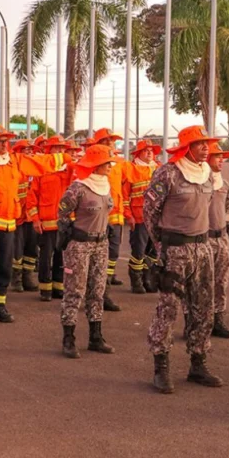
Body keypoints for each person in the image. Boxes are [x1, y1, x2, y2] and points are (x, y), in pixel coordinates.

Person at [145, 125, 222, 394]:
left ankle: (198, 363)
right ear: (187, 147)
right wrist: (162, 245)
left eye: (207, 143)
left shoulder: (207, 174)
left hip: (202, 248)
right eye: (200, 143)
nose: (206, 148)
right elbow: (150, 211)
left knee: (203, 307)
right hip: (175, 250)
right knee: (168, 309)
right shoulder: (168, 173)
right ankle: (161, 367)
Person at [0, 126, 64, 325]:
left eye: (6, 141)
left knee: (4, 267)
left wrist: (65, 157)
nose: (4, 145)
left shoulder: (14, 161)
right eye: (0, 141)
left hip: (9, 224)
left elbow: (40, 163)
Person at [57, 144, 119, 358]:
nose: (110, 166)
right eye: (106, 163)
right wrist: (70, 233)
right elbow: (62, 213)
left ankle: (95, 337)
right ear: (95, 164)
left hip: (101, 244)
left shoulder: (105, 185)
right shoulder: (79, 187)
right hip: (80, 245)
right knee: (75, 291)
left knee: (98, 290)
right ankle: (68, 339)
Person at [28, 135, 72, 301]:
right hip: (46, 224)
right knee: (46, 257)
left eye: (62, 148)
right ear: (49, 150)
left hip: (65, 223)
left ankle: (58, 287)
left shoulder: (70, 169)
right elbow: (32, 197)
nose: (60, 150)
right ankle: (45, 289)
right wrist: (35, 219)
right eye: (57, 148)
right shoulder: (40, 170)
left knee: (62, 257)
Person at [92, 128, 127, 310]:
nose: (110, 143)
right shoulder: (90, 163)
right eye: (105, 141)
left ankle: (104, 291)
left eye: (111, 141)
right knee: (96, 257)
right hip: (96, 217)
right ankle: (96, 294)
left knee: (112, 255)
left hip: (115, 217)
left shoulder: (120, 163)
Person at [123, 139, 161, 294]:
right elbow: (125, 196)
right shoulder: (131, 169)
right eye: (146, 150)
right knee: (138, 251)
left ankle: (147, 278)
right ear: (138, 153)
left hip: (156, 218)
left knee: (154, 252)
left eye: (151, 150)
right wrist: (128, 216)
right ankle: (136, 281)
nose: (150, 153)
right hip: (139, 218)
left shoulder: (159, 168)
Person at [205, 141, 229, 338]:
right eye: (217, 156)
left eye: (222, 157)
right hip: (203, 239)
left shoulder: (224, 185)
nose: (221, 160)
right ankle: (197, 322)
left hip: (222, 238)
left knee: (221, 282)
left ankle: (218, 320)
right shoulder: (199, 182)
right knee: (201, 282)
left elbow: (226, 207)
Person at [9, 139, 39, 293]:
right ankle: (16, 278)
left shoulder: (34, 169)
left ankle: (28, 276)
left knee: (31, 249)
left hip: (31, 216)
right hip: (17, 216)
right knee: (17, 250)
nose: (29, 152)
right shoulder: (13, 169)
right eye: (25, 150)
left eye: (30, 150)